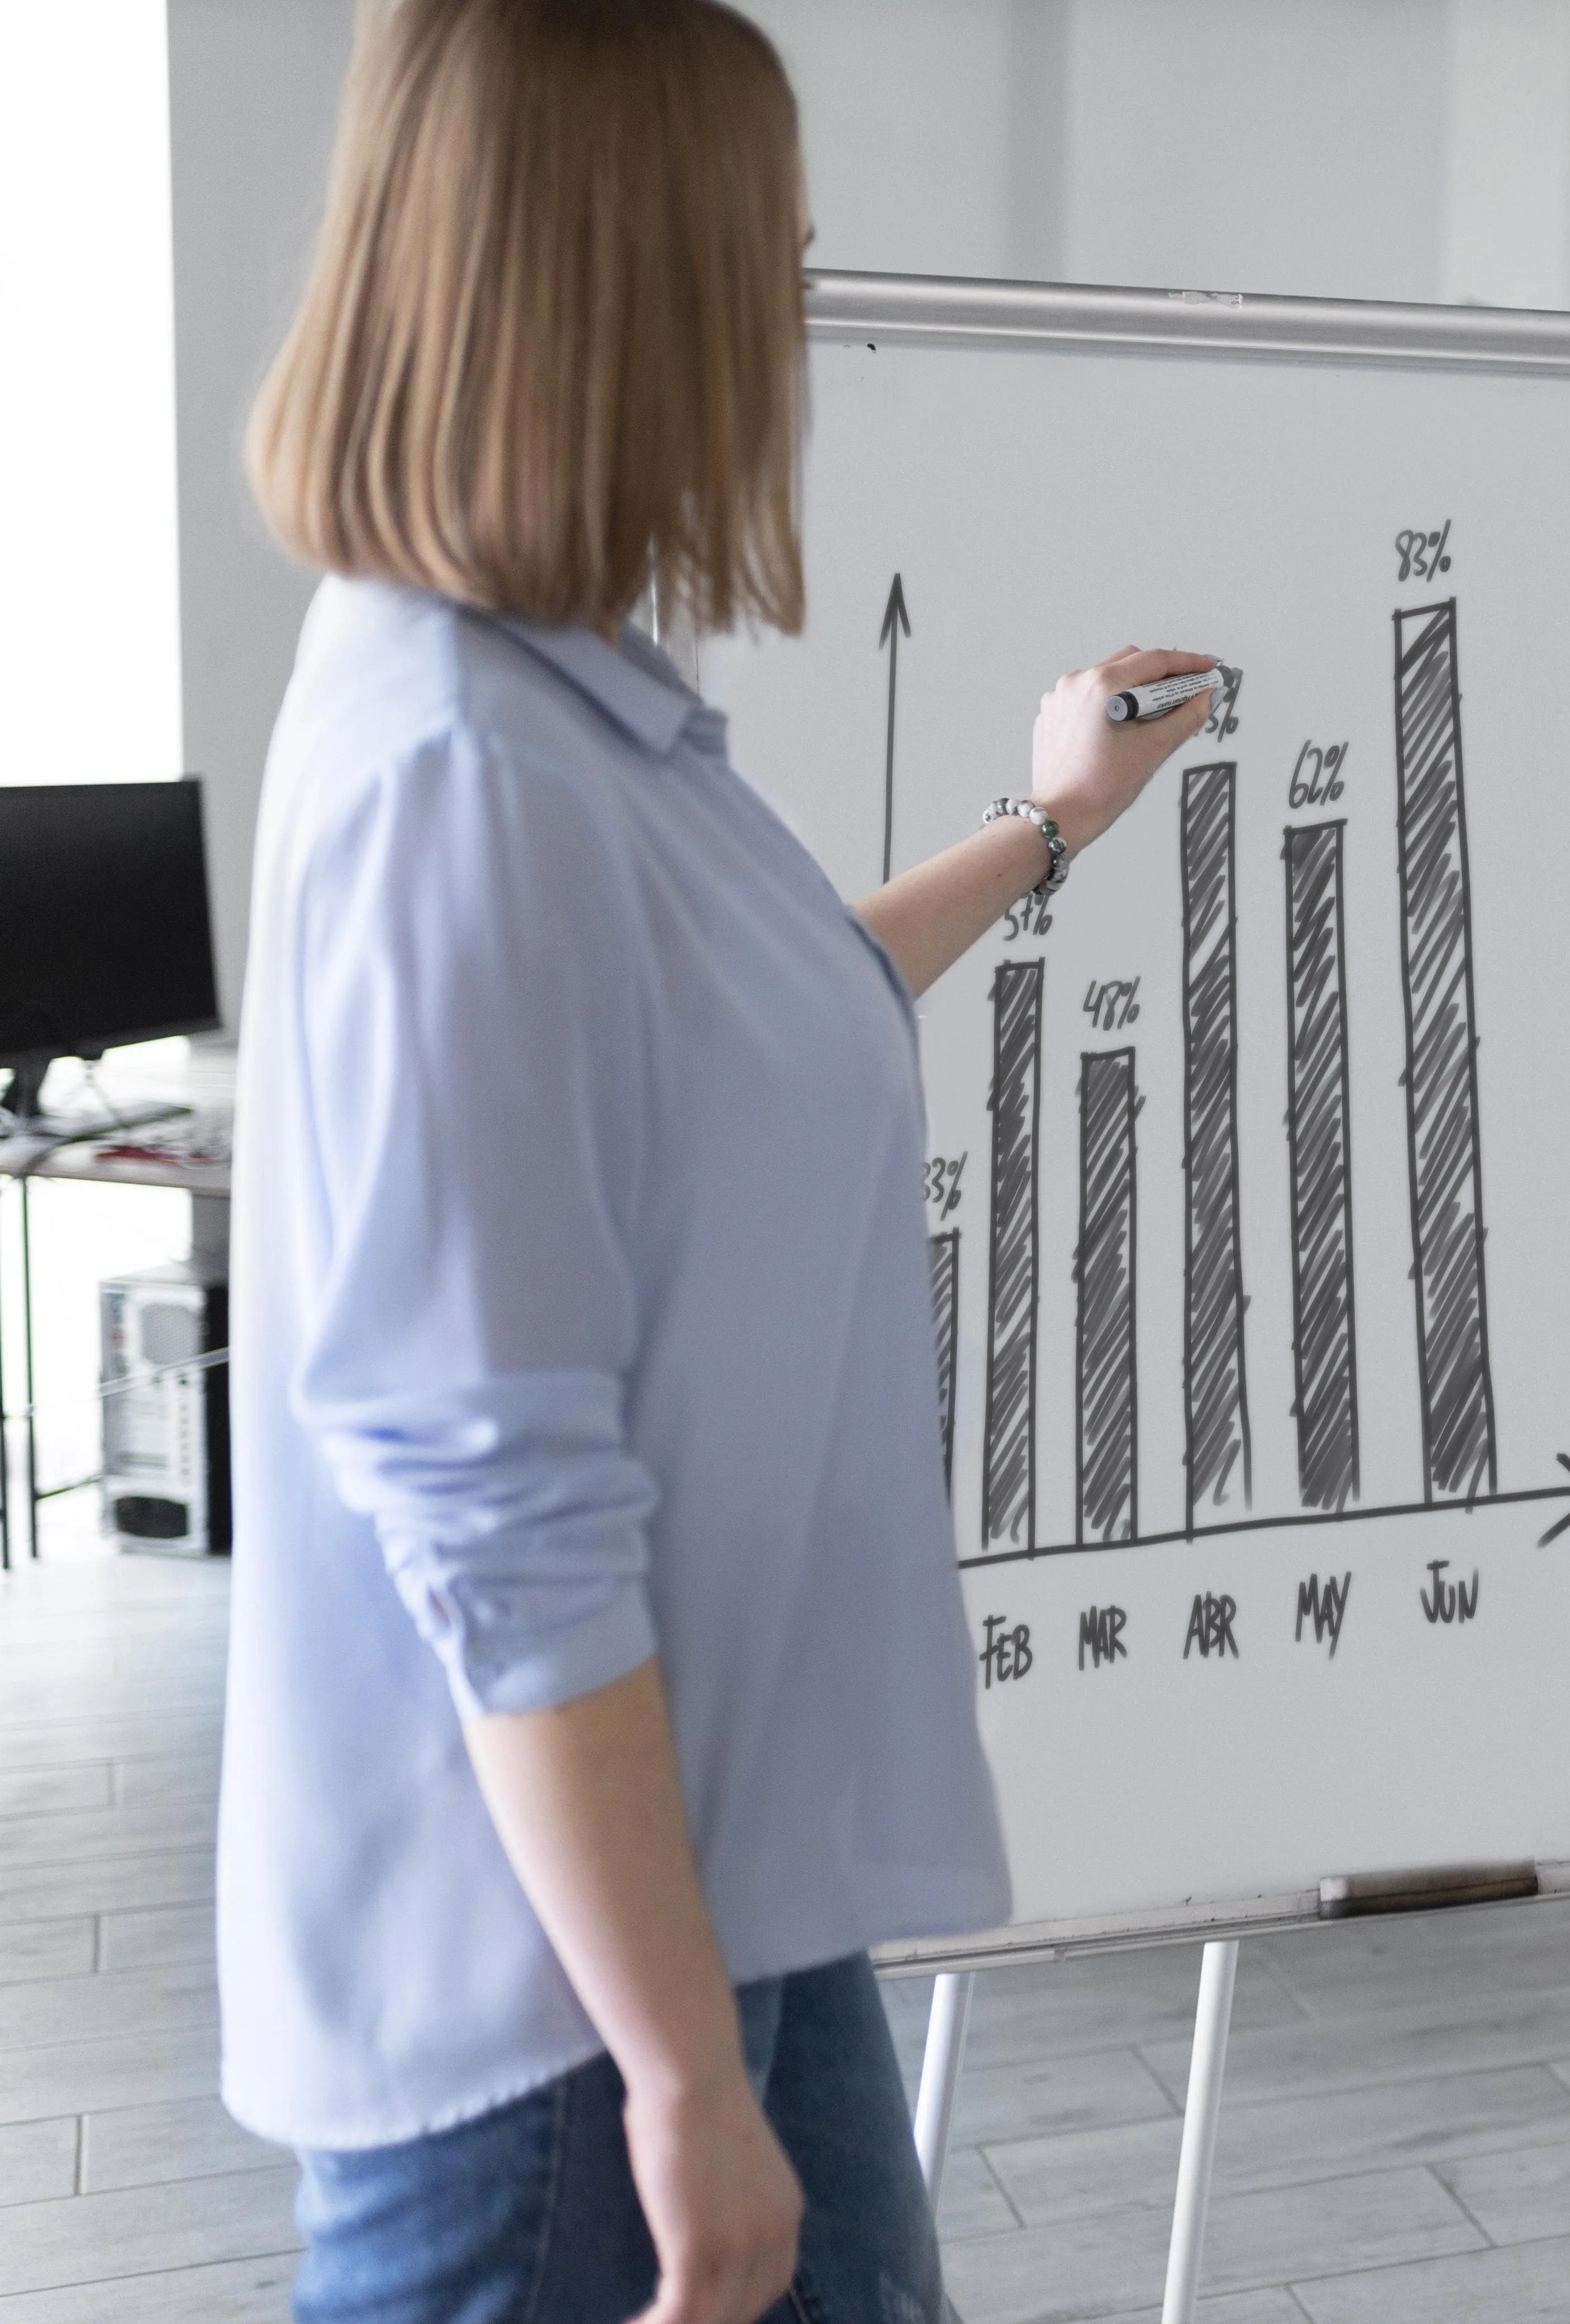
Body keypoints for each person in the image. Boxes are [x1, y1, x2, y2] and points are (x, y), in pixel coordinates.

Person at [218, 4, 1220, 2319]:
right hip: (558, 2008)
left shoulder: (575, 722)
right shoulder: (456, 773)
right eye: (766, 256)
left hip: (713, 1883)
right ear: (624, 293)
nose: (794, 312)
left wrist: (1053, 816)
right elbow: (490, 1490)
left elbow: (768, 1028)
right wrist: (675, 2072)